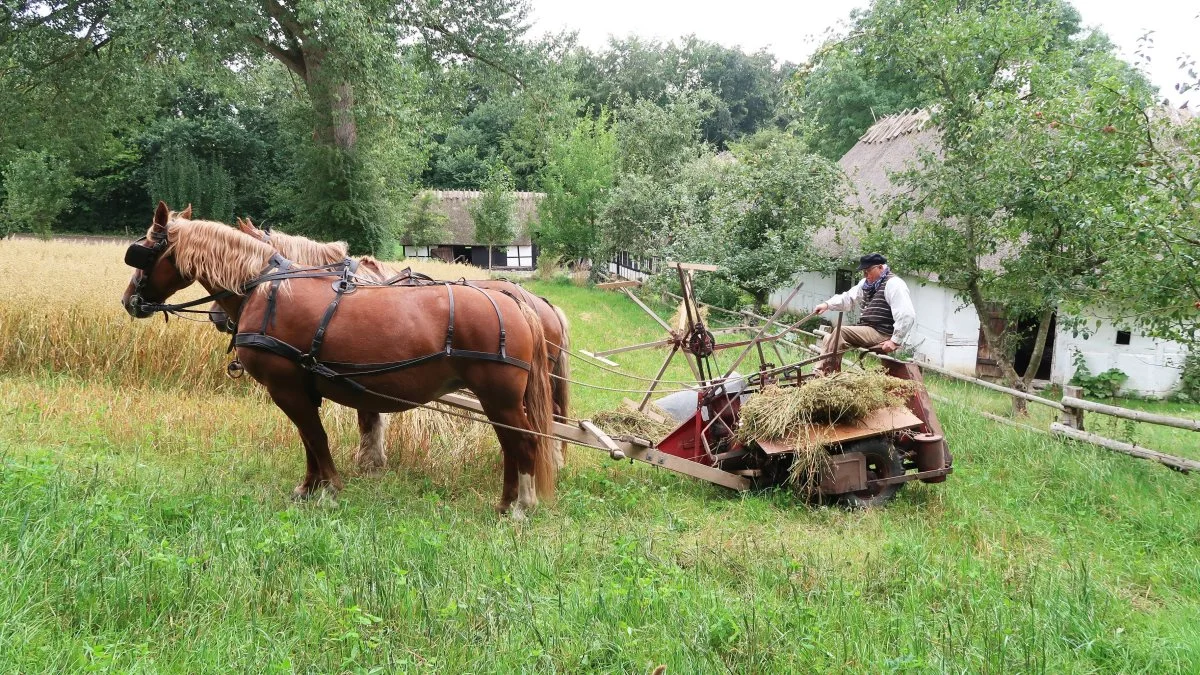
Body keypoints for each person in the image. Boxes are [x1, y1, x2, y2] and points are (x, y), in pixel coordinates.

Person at [812, 253, 916, 375]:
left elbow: (907, 314)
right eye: (863, 272)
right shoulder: (865, 284)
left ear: (880, 268)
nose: (865, 275)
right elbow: (848, 298)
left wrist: (894, 341)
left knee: (841, 331)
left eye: (868, 271)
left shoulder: (894, 284)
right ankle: (831, 372)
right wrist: (827, 305)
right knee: (828, 338)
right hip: (869, 329)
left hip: (882, 333)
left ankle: (823, 371)